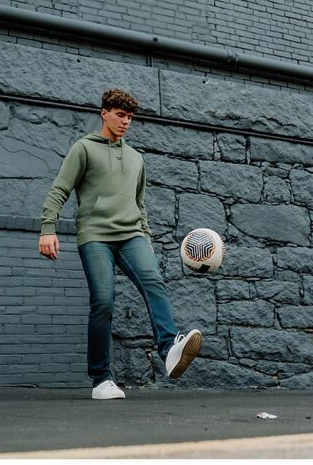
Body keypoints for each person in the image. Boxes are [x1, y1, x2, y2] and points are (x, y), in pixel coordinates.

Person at [38, 88, 202, 400]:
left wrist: (147, 239)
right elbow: (60, 188)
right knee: (103, 301)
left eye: (129, 118)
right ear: (105, 113)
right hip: (96, 235)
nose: (125, 122)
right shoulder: (84, 148)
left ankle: (169, 348)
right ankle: (101, 379)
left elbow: (140, 206)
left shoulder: (137, 159)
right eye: (120, 115)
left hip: (132, 236)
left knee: (154, 281)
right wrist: (48, 228)